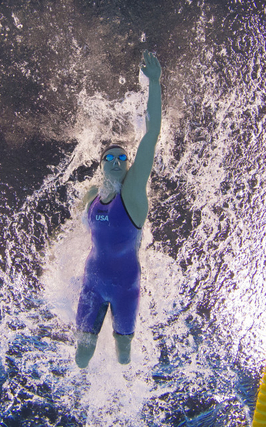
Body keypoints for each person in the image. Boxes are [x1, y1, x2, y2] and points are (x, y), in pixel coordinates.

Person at [75, 50, 162, 368]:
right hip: (92, 284)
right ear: (101, 165)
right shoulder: (92, 195)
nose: (115, 160)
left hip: (126, 286)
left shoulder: (133, 194)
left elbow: (151, 135)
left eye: (122, 157)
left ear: (128, 165)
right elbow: (80, 227)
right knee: (81, 358)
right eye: (109, 157)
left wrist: (155, 83)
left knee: (123, 356)